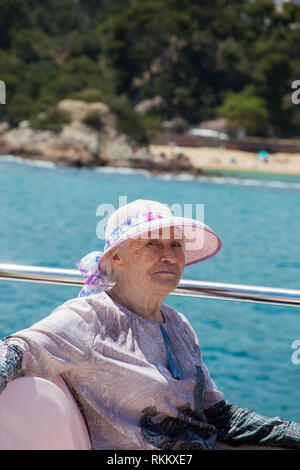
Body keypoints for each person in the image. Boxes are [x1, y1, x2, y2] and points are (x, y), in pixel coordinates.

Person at [0, 199, 299, 450]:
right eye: (152, 243)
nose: (168, 255)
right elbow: (17, 350)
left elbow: (216, 416)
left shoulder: (178, 325)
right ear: (116, 257)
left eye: (176, 244)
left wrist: (289, 431)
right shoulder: (91, 317)